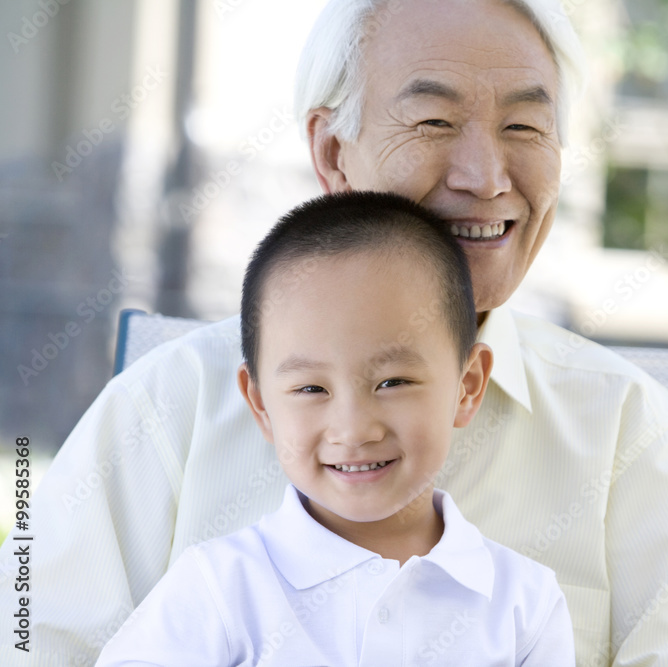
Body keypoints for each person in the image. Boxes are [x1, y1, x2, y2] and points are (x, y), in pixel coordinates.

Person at [0, 0, 668, 665]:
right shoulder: (164, 405)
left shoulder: (637, 438)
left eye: (524, 126)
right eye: (436, 120)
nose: (486, 175)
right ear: (332, 152)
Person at [94, 192, 575, 666]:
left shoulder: (524, 606)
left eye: (393, 381)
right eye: (310, 389)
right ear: (260, 404)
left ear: (467, 387)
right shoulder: (216, 589)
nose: (354, 429)